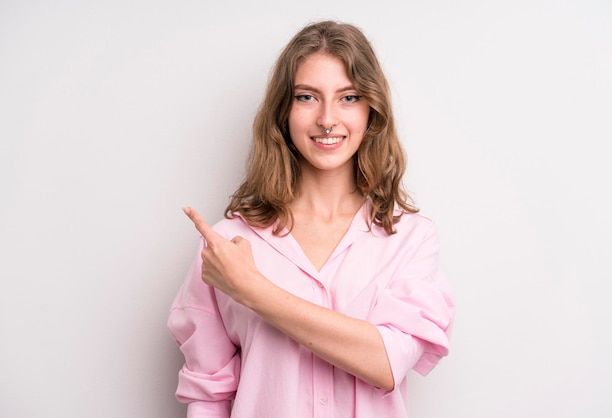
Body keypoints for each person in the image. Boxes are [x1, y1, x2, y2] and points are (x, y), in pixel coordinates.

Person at [167, 20, 455, 418]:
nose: (327, 119)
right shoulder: (227, 245)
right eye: (307, 97)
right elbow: (208, 392)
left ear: (372, 111)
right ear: (283, 111)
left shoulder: (409, 238)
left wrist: (254, 290)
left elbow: (386, 363)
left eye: (348, 97)